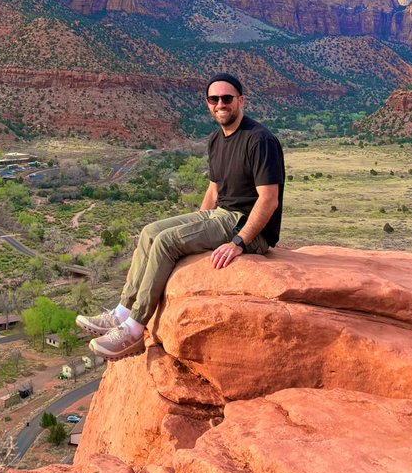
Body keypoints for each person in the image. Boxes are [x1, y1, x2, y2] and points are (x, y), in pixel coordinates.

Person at [78, 73, 284, 360]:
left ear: (241, 100)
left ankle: (135, 329)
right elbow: (214, 189)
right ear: (208, 104)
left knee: (166, 242)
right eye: (214, 99)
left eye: (227, 98)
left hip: (245, 223)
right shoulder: (217, 140)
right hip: (220, 216)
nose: (221, 104)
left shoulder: (259, 140)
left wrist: (239, 242)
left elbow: (269, 200)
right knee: (150, 232)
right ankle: (122, 311)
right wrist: (197, 226)